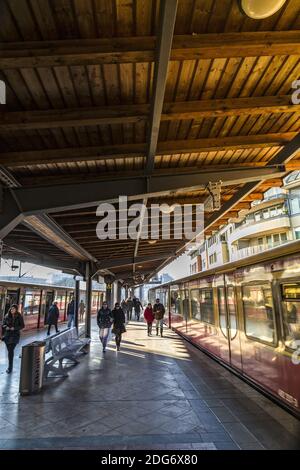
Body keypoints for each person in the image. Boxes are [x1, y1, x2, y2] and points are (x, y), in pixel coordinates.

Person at [2, 304, 25, 374]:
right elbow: (3, 324)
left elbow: (22, 326)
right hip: (7, 336)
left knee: (11, 351)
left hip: (15, 336)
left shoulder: (19, 316)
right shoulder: (6, 315)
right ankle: (10, 366)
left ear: (16, 310)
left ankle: (10, 367)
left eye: (14, 309)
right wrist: (6, 327)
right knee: (10, 351)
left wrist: (14, 328)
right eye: (11, 309)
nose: (12, 310)